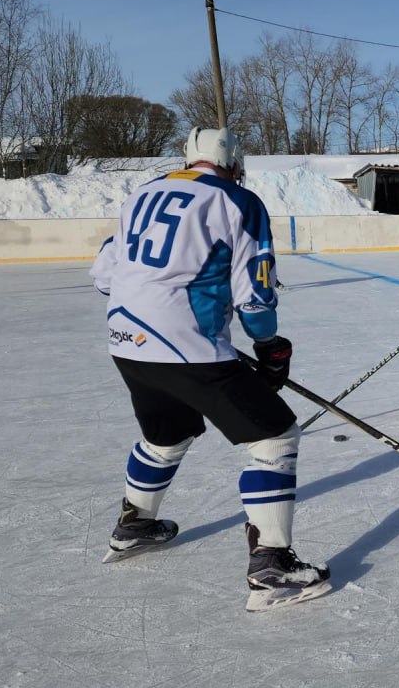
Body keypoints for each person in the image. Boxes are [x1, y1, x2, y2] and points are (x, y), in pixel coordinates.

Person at [89, 126, 329, 612]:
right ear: (234, 163)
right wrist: (270, 345)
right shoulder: (238, 201)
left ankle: (134, 525)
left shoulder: (143, 193)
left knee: (167, 434)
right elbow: (255, 295)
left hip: (125, 341)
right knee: (276, 436)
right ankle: (271, 567)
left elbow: (103, 275)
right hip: (186, 348)